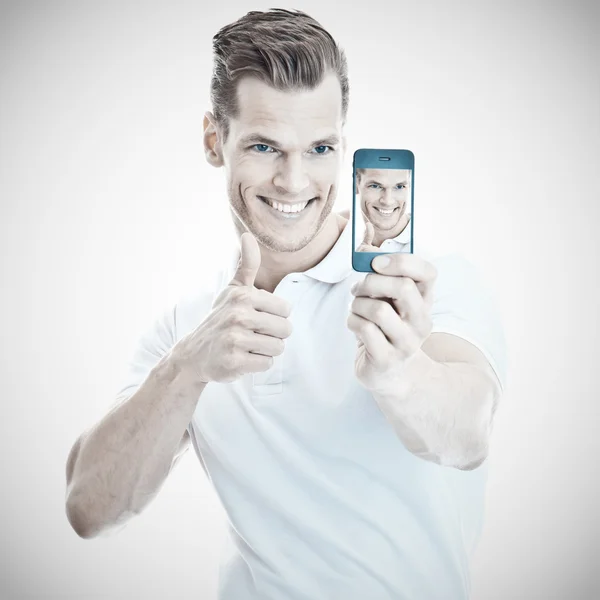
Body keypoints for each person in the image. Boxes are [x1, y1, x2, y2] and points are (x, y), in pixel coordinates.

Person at [65, 9, 506, 600]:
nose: (294, 180)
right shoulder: (188, 327)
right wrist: (187, 367)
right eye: (266, 146)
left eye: (320, 147)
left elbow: (468, 433)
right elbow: (89, 507)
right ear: (213, 141)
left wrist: (402, 374)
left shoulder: (419, 282)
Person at [352, 167, 412, 253]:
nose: (388, 201)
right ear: (356, 183)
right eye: (375, 186)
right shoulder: (341, 241)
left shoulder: (429, 251)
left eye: (399, 187)